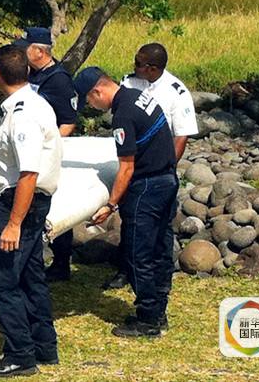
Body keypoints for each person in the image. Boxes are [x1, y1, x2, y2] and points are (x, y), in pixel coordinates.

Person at [74, 67, 178, 338]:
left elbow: (127, 167)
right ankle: (158, 310)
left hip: (147, 187)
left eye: (89, 101)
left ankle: (148, 319)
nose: (91, 107)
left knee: (137, 254)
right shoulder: (137, 96)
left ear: (97, 91)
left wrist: (110, 204)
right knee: (159, 248)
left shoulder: (122, 115)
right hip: (167, 179)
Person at [0, 45, 62, 377]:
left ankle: (20, 354)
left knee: (0, 282)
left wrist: (13, 223)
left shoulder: (22, 114)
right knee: (31, 277)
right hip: (31, 201)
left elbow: (28, 173)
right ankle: (44, 345)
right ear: (28, 71)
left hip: (20, 202)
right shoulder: (37, 103)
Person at [102, 43, 198, 292]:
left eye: (138, 62)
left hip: (158, 168)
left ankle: (161, 275)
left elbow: (181, 135)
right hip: (132, 164)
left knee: (161, 226)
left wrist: (165, 167)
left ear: (152, 68)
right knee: (130, 220)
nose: (133, 66)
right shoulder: (129, 83)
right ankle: (126, 269)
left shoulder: (176, 91)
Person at [13, 27, 77, 283]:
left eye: (25, 48)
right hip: (30, 147)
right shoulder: (32, 74)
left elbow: (69, 121)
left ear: (39, 51)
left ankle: (61, 263)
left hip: (48, 153)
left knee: (54, 205)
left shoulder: (58, 79)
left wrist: (50, 147)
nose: (21, 53)